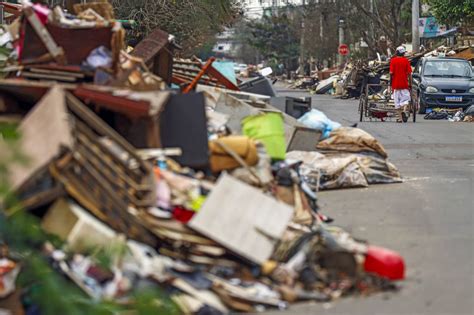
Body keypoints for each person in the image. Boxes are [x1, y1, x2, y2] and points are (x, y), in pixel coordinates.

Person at [390, 46, 412, 122]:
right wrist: (410, 83)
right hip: (404, 84)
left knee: (397, 102)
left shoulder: (393, 61)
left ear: (397, 52)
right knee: (406, 99)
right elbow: (409, 74)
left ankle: (399, 118)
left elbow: (391, 73)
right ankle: (404, 110)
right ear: (403, 53)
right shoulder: (406, 61)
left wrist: (390, 83)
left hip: (395, 84)